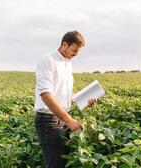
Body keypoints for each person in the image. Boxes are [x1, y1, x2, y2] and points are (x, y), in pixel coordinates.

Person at [34, 31, 96, 168]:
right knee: (56, 164)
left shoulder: (67, 63)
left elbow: (63, 93)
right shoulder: (48, 60)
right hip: (48, 120)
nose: (76, 55)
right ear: (64, 44)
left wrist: (85, 100)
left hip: (63, 118)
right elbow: (46, 95)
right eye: (74, 50)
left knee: (65, 162)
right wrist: (69, 120)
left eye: (78, 52)